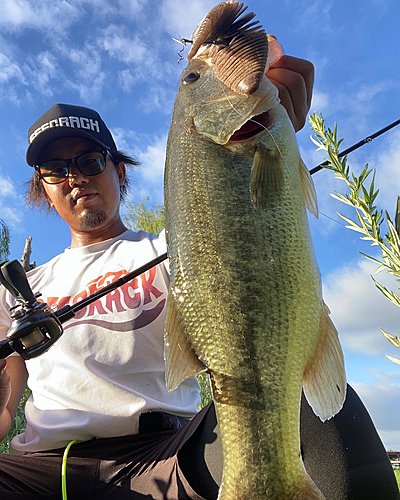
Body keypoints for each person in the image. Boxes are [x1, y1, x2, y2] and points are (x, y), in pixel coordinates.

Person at [0, 55, 397, 500]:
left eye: (90, 161)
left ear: (118, 169)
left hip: (170, 453)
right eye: (56, 170)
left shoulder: (177, 246)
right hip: (43, 469)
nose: (75, 177)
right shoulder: (16, 292)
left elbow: (244, 236)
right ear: (43, 186)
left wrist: (262, 118)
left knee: (296, 395)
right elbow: (4, 410)